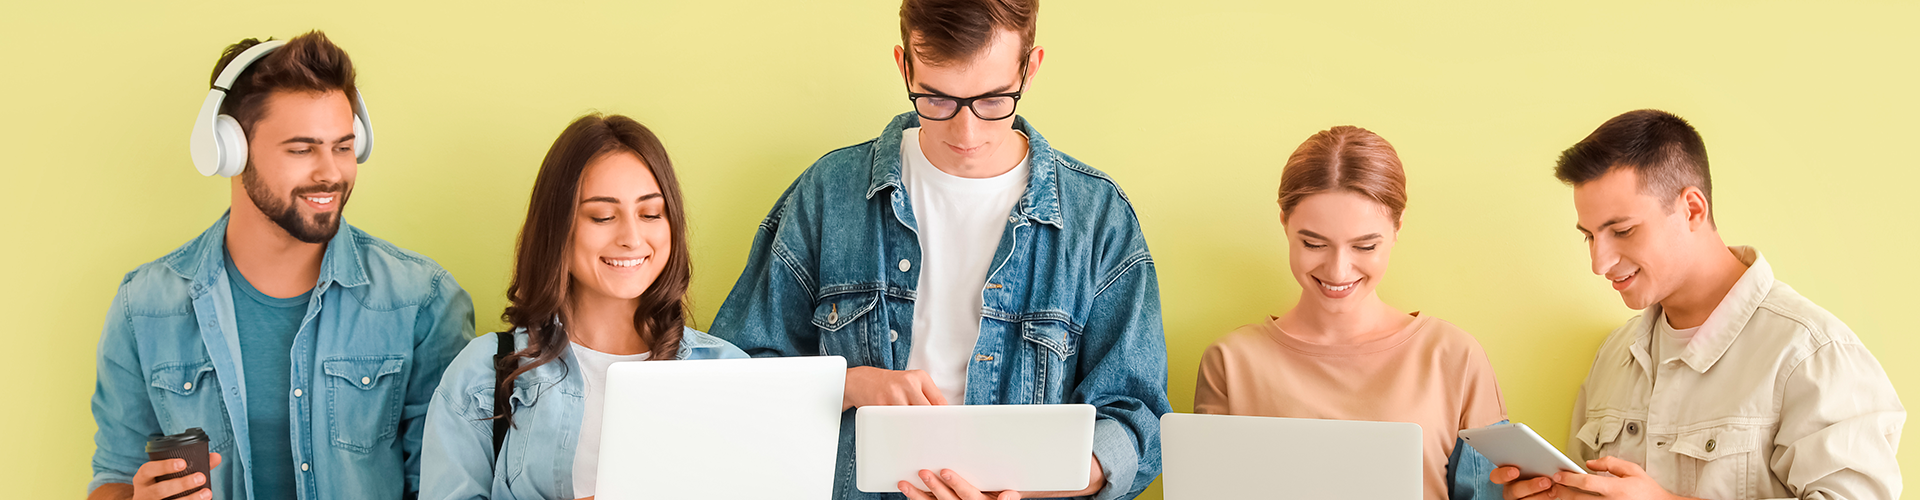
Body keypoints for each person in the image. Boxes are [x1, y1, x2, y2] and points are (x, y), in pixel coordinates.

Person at [710, 0, 1170, 498]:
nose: (965, 133)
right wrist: (852, 385)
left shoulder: (1097, 217)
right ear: (904, 65)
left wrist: (1035, 487)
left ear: (1030, 68)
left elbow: (1136, 418)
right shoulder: (828, 193)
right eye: (937, 99)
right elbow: (735, 378)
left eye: (994, 100)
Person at [88, 31, 474, 500]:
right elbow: (113, 474)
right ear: (229, 150)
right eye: (301, 149)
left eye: (343, 146)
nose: (330, 172)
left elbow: (445, 486)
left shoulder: (423, 303)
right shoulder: (144, 307)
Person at [1492, 109, 1904, 500]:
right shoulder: (1613, 357)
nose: (1599, 263)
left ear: (1692, 209)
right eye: (1589, 236)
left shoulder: (1812, 355)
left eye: (1622, 230)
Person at [420, 113, 748, 500]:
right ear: (557, 228)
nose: (631, 237)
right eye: (603, 216)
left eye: (650, 214)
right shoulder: (480, 378)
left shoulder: (734, 376)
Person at [1193, 126, 1507, 500]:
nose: (1338, 271)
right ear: (1284, 222)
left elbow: (1489, 494)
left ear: (1397, 227)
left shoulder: (1455, 357)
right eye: (1313, 243)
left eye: (1364, 246)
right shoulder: (1230, 363)